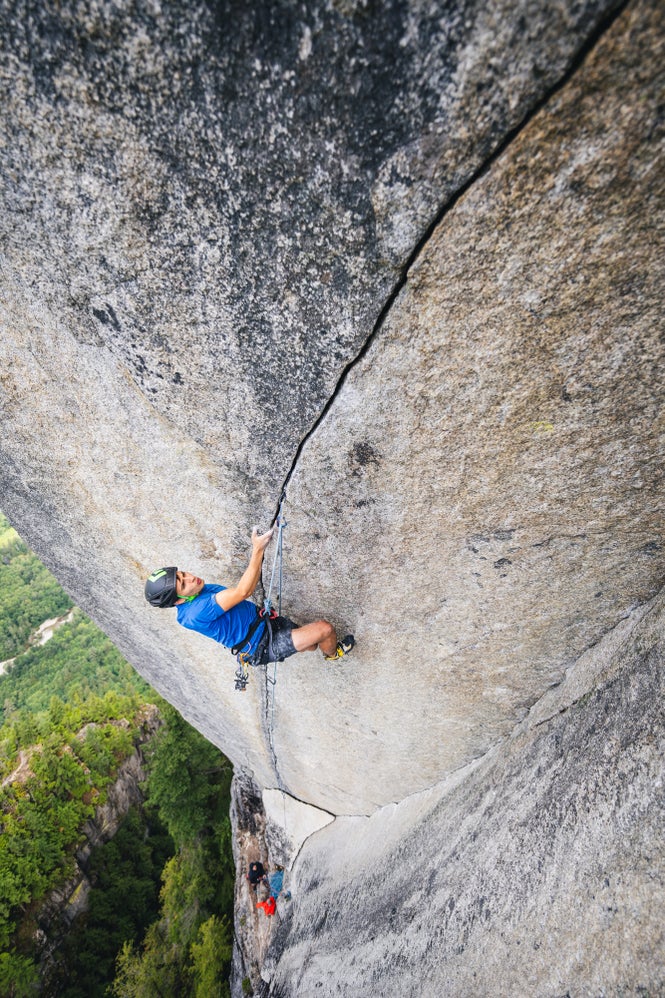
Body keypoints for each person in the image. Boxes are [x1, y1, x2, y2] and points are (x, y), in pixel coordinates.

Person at [144, 527, 354, 665]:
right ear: (178, 600)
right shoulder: (195, 612)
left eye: (182, 574)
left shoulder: (200, 589)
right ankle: (332, 655)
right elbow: (244, 592)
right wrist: (258, 550)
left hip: (265, 622)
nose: (190, 578)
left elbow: (244, 589)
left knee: (311, 644)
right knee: (324, 630)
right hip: (260, 646)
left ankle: (314, 645)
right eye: (182, 583)